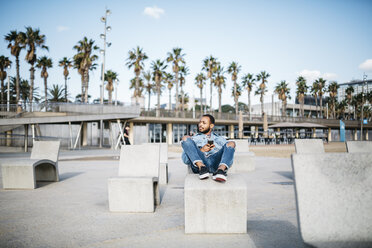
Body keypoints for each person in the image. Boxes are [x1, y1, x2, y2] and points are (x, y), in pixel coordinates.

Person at [181, 114, 235, 182]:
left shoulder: (219, 139)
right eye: (200, 122)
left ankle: (220, 171)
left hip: (216, 163)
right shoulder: (193, 139)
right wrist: (201, 150)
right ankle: (202, 168)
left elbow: (229, 158)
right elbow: (185, 160)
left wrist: (216, 149)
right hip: (200, 164)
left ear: (211, 126)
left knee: (231, 143)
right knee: (185, 138)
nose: (200, 124)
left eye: (204, 123)